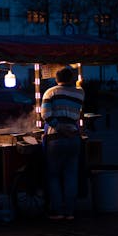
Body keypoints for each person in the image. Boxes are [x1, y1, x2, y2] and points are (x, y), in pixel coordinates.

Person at [41, 66, 85, 220]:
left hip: (56, 139)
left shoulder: (50, 92)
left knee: (53, 176)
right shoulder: (80, 93)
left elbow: (46, 115)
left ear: (56, 79)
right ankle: (70, 212)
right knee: (71, 175)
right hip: (74, 138)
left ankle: (58, 211)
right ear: (71, 78)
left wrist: (59, 127)